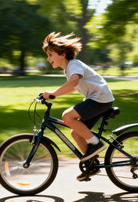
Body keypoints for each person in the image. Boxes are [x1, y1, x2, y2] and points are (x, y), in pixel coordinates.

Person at [41, 32, 115, 181]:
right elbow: (72, 87)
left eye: (50, 55)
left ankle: (95, 143)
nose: (48, 59)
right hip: (97, 99)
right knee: (76, 133)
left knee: (67, 116)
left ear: (62, 54)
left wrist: (53, 93)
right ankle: (91, 164)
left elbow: (74, 82)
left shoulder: (74, 64)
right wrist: (54, 95)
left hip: (100, 99)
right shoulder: (67, 69)